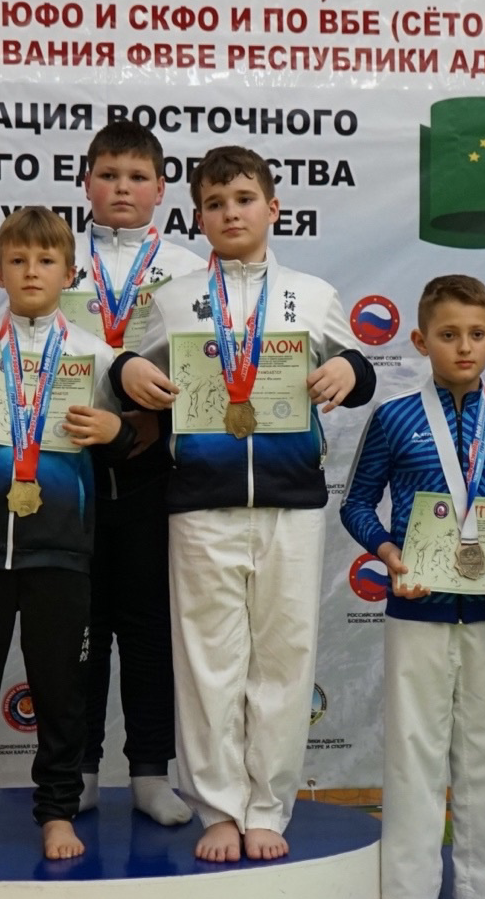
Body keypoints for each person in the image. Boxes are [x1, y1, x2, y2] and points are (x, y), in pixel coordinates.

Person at [117, 145, 376, 862]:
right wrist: (129, 369)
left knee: (284, 660)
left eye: (243, 199)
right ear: (198, 217)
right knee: (209, 662)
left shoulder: (312, 294)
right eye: (215, 203)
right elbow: (128, 369)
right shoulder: (173, 299)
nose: (230, 213)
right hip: (201, 502)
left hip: (291, 503)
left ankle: (268, 807)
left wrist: (344, 368)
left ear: (273, 207)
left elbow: (359, 369)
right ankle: (219, 808)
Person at [0, 207, 132, 863]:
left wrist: (116, 432)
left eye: (45, 260)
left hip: (61, 549)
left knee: (62, 690)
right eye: (18, 260)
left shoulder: (96, 356)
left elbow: (127, 448)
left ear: (69, 272)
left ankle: (58, 811)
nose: (31, 271)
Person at [338, 274, 485, 899]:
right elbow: (356, 503)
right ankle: (410, 896)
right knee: (414, 753)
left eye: (477, 334)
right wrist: (389, 553)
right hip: (416, 608)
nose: (464, 347)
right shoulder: (394, 416)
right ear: (421, 341)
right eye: (448, 335)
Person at [65, 119, 204, 827]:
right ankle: (82, 768)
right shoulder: (56, 256)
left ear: (161, 189)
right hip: (69, 463)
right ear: (86, 182)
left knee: (151, 629)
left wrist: (160, 424)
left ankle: (151, 772)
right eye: (109, 175)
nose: (122, 188)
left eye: (137, 177)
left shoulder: (189, 268)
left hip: (153, 466)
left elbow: (210, 367)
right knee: (81, 627)